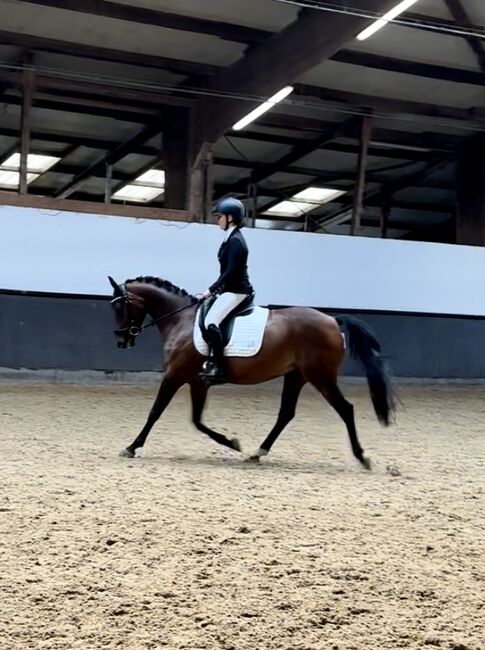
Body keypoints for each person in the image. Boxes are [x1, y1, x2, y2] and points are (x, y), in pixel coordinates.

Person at [200, 197, 254, 384]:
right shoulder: (230, 238)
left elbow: (231, 271)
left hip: (237, 290)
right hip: (229, 289)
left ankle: (218, 366)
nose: (218, 220)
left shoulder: (236, 241)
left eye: (220, 217)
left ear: (230, 217)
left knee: (211, 321)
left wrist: (211, 290)